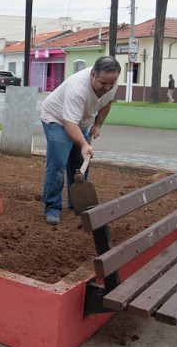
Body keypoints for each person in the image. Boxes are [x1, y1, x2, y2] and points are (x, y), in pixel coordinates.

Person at [40, 56, 121, 225]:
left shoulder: (111, 83)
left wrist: (97, 125)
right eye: (102, 83)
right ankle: (52, 207)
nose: (107, 88)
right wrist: (84, 144)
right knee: (58, 164)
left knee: (79, 164)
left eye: (110, 84)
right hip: (57, 119)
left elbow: (107, 103)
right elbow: (69, 123)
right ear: (92, 75)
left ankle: (77, 203)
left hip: (80, 120)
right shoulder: (77, 88)